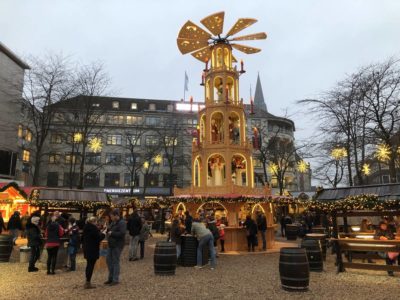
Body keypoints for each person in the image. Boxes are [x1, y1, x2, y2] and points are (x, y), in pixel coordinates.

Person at [82, 216, 105, 289]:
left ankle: (87, 281)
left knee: (88, 265)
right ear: (93, 222)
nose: (97, 223)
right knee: (91, 266)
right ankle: (88, 282)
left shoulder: (86, 228)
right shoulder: (93, 229)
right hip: (92, 249)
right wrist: (103, 234)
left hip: (87, 248)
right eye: (96, 222)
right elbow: (98, 238)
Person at [105, 209, 126, 286]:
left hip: (117, 245)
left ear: (116, 215)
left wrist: (112, 233)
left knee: (115, 261)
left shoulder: (122, 223)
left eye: (112, 216)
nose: (111, 218)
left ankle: (115, 279)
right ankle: (110, 278)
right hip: (111, 244)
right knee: (108, 261)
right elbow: (109, 230)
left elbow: (122, 233)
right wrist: (107, 230)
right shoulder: (113, 222)